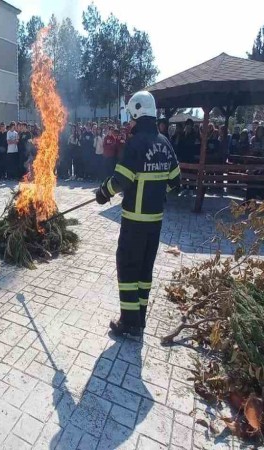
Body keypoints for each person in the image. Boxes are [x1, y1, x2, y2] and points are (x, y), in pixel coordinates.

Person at [94, 91, 181, 337]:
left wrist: (103, 192)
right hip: (156, 221)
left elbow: (121, 179)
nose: (129, 123)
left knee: (128, 267)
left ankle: (129, 323)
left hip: (135, 220)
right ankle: (140, 318)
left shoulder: (136, 143)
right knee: (144, 270)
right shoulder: (164, 142)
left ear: (136, 113)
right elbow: (177, 182)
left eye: (131, 118)